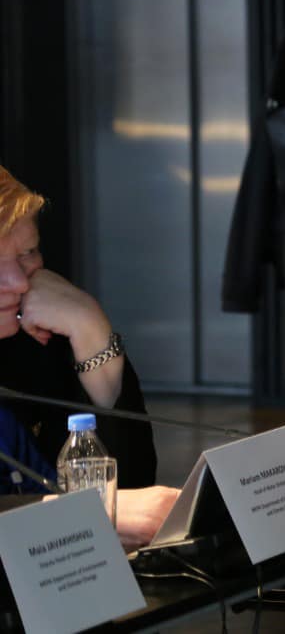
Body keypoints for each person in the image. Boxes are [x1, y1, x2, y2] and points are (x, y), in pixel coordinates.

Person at [0, 165, 178, 550]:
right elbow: (112, 513)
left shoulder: (35, 335)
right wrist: (79, 515)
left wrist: (90, 327)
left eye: (27, 253)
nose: (19, 282)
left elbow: (132, 486)